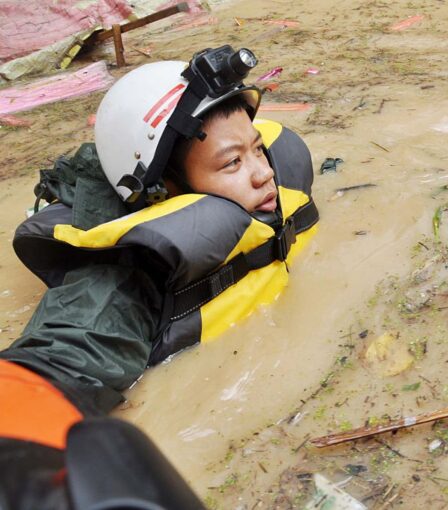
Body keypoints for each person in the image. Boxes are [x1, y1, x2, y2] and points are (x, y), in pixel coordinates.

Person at [0, 45, 319, 509]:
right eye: (232, 163)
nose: (263, 174)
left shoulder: (270, 190)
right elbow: (44, 373)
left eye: (257, 150)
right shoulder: (122, 285)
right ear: (165, 192)